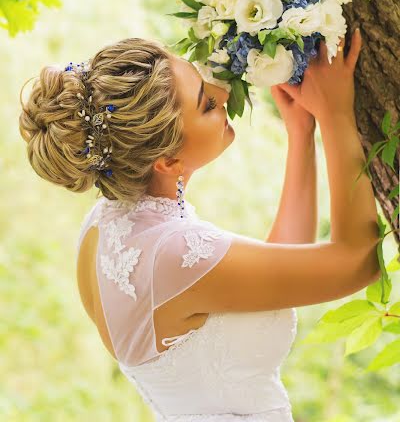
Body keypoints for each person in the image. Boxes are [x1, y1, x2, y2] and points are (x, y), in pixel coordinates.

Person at [18, 32, 380, 422]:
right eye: (206, 104)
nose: (223, 97)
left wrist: (301, 134)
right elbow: (357, 261)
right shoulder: (171, 253)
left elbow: (271, 280)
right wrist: (336, 115)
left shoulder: (103, 229)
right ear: (168, 160)